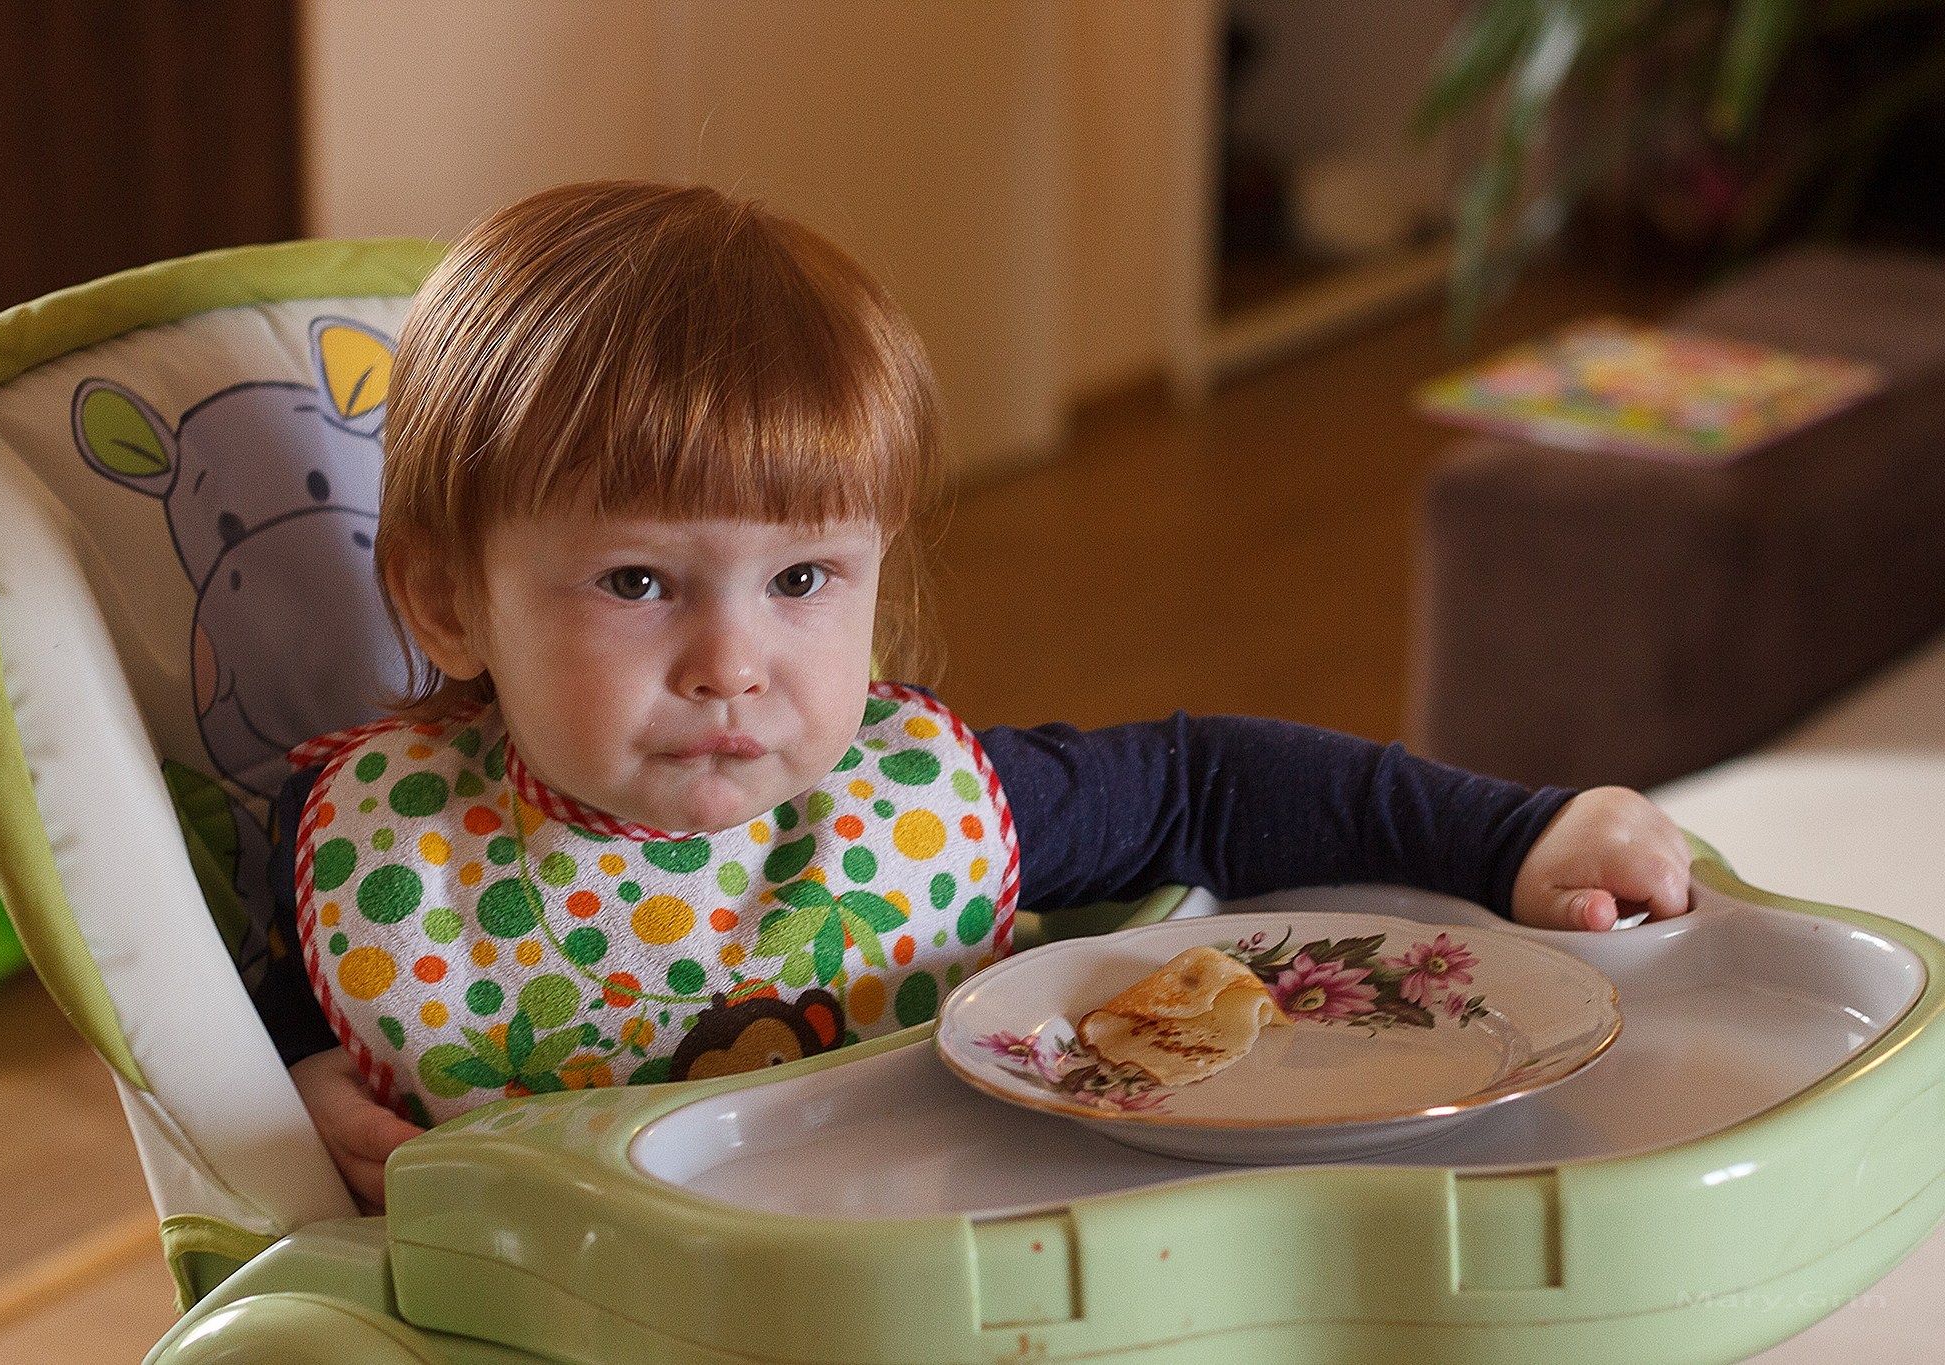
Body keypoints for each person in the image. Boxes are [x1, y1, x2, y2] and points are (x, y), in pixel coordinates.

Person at [262, 180, 1691, 1210]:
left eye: (803, 578)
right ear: (448, 601)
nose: (731, 662)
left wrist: (1514, 835)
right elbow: (253, 1010)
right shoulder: (378, 857)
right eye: (638, 581)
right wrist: (292, 1092)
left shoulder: (924, 814)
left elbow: (1212, 783)